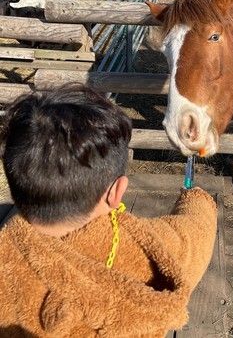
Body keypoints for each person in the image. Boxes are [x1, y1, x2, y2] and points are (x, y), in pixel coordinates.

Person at [0, 85, 217, 337]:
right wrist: (196, 198)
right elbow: (196, 232)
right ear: (116, 192)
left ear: (13, 183)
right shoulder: (152, 251)